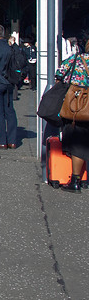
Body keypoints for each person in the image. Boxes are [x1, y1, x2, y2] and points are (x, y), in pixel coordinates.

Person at [54, 39, 89, 191]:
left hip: (77, 107)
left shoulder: (76, 59)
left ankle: (75, 180)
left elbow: (60, 74)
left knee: (78, 143)